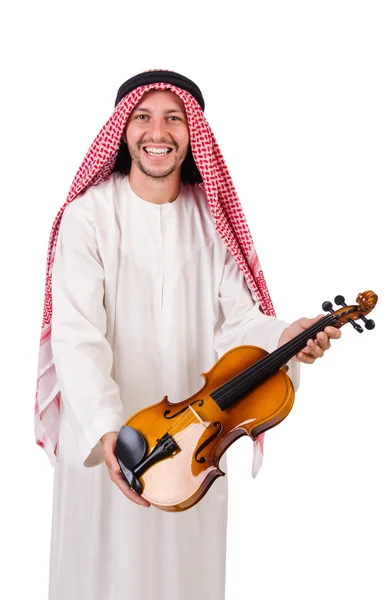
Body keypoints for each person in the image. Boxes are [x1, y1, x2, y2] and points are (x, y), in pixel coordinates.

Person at [35, 70, 341, 600]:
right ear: (123, 130)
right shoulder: (88, 218)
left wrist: (285, 336)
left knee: (186, 578)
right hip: (112, 442)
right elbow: (78, 337)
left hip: (194, 444)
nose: (159, 131)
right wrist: (112, 435)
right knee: (100, 575)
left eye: (174, 118)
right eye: (144, 117)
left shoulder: (210, 222)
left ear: (192, 133)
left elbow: (241, 325)